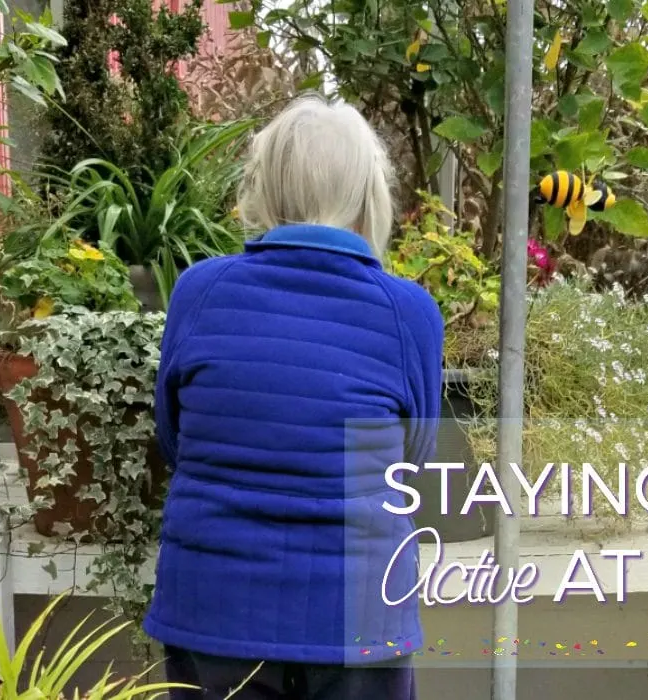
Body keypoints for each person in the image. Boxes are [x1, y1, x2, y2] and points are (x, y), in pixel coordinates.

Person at [143, 94, 443, 700]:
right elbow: (411, 458)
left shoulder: (200, 292)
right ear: (368, 196)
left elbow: (175, 436)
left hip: (215, 611)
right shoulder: (408, 312)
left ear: (264, 189)